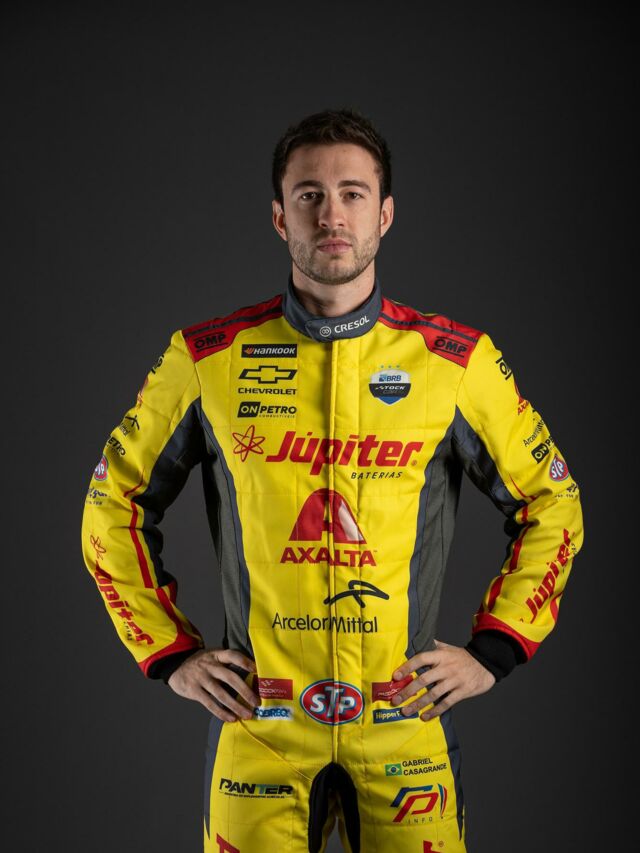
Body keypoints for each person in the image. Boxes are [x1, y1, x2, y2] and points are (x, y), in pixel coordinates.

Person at [81, 108, 583, 853]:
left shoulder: (455, 362)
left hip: (403, 728)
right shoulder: (206, 358)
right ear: (279, 216)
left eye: (352, 193)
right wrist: (170, 654)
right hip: (262, 729)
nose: (332, 214)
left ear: (385, 214)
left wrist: (495, 649)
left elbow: (553, 500)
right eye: (309, 195)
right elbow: (110, 500)